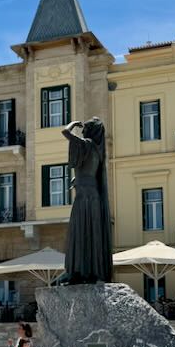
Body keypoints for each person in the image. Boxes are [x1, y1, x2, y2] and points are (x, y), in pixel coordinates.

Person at [61, 118, 113, 284]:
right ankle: (90, 272)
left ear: (90, 131)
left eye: (85, 128)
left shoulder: (87, 144)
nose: (82, 131)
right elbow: (88, 172)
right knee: (91, 234)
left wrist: (73, 124)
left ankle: (77, 271)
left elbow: (65, 132)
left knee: (80, 233)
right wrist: (77, 179)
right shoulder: (98, 150)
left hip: (84, 197)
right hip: (92, 195)